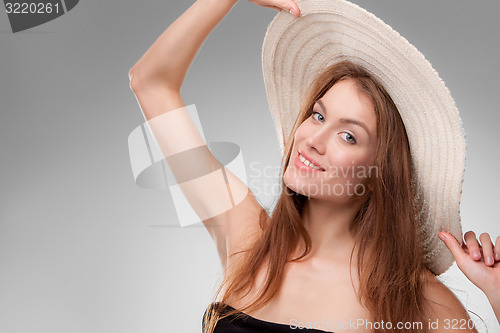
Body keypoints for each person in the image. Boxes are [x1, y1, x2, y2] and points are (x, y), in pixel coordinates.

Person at [127, 0, 500, 332]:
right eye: (318, 115)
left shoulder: (418, 301)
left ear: (378, 174)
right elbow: (150, 83)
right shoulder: (248, 240)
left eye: (348, 136)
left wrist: (498, 295)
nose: (313, 139)